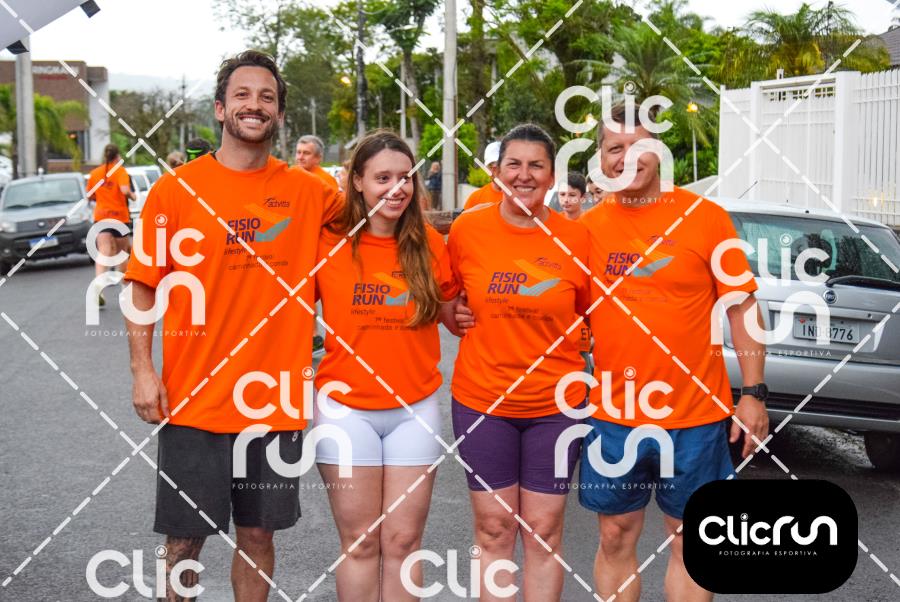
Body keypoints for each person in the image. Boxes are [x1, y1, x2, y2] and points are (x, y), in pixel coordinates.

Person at [123, 50, 338, 600]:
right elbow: (142, 284)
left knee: (258, 534)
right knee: (184, 539)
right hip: (194, 399)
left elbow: (386, 223)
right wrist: (142, 370)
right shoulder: (175, 191)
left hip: (275, 398)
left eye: (267, 97)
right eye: (242, 95)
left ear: (281, 114)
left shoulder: (311, 191)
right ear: (220, 108)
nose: (254, 104)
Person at [578, 103, 768, 601]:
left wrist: (753, 394)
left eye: (638, 145)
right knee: (614, 535)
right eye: (614, 148)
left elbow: (742, 308)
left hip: (695, 417)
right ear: (601, 158)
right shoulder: (587, 229)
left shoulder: (706, 219)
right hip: (614, 416)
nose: (627, 158)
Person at [313, 130, 460, 601]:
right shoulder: (326, 242)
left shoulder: (430, 244)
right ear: (357, 181)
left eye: (405, 178)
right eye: (382, 178)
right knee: (361, 543)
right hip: (344, 411)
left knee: (403, 542)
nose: (396, 188)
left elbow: (452, 312)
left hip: (414, 410)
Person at [447, 124, 589, 601]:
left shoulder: (577, 238)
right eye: (514, 164)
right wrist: (452, 313)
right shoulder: (468, 229)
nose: (523, 175)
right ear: (497, 172)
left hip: (557, 406)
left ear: (551, 176)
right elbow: (446, 295)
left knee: (543, 530)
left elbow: (595, 314)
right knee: (494, 529)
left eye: (536, 166)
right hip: (483, 402)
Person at [87, 143, 136, 307]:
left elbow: (90, 195)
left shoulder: (95, 173)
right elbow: (124, 190)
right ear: (117, 156)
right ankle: (126, 289)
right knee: (122, 253)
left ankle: (98, 286)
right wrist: (132, 196)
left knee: (103, 251)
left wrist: (102, 196)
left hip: (101, 216)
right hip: (119, 217)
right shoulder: (120, 171)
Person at [462, 141, 503, 210]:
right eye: (491, 165)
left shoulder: (519, 197)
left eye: (499, 164)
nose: (496, 171)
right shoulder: (475, 199)